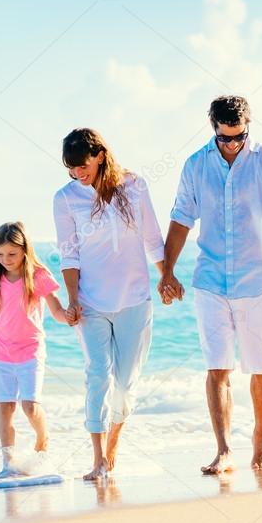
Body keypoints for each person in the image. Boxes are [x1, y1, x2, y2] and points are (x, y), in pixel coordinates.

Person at [160, 95, 262, 473]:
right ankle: (224, 450)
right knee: (217, 367)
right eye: (224, 138)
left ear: (247, 128)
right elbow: (182, 219)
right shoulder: (196, 165)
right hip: (210, 280)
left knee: (261, 368)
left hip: (258, 280)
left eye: (239, 137)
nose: (232, 144)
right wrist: (167, 272)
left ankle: (260, 442)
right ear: (213, 128)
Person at [53, 128, 166, 481]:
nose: (77, 174)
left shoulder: (134, 186)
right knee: (97, 377)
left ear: (100, 154)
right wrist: (72, 301)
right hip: (91, 303)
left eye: (81, 165)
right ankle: (98, 458)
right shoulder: (65, 198)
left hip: (135, 299)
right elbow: (68, 253)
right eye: (70, 169)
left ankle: (113, 446)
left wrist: (167, 276)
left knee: (125, 383)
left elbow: (152, 238)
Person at [0, 221, 67, 474]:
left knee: (30, 406)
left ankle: (43, 439)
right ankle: (8, 464)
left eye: (12, 254)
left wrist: (68, 317)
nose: (6, 259)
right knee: (5, 407)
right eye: (0, 254)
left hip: (31, 350)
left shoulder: (38, 276)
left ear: (24, 250)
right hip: (1, 353)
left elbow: (55, 308)